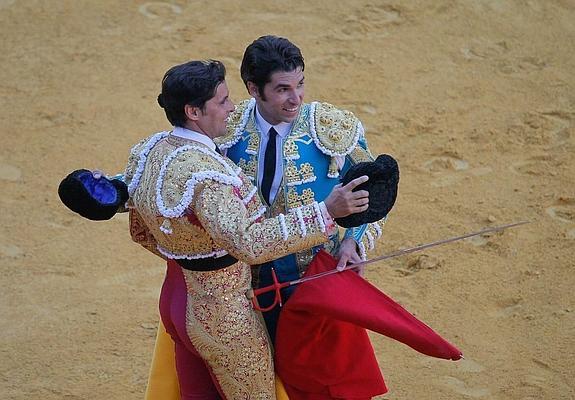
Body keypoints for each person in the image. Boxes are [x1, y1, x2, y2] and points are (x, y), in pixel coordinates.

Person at [145, 36, 390, 399]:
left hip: (313, 279)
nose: (296, 98)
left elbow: (375, 196)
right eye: (283, 89)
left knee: (323, 385)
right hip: (244, 285)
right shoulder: (224, 128)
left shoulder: (331, 127)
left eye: (300, 84)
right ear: (253, 89)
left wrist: (355, 241)